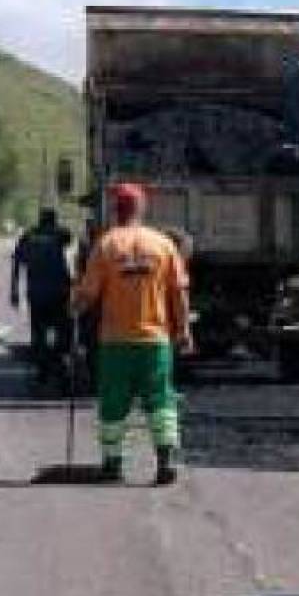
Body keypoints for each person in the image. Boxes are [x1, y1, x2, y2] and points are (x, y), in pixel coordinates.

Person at [72, 182, 192, 485]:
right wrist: (184, 330)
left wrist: (74, 308)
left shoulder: (107, 245)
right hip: (154, 340)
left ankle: (113, 465)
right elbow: (179, 293)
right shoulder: (163, 245)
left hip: (115, 342)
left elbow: (87, 295)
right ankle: (166, 461)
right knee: (161, 400)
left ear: (116, 210)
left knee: (113, 403)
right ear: (142, 209)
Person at [10, 206, 75, 391]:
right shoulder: (60, 234)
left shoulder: (28, 236)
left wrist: (14, 290)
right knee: (63, 332)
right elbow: (69, 239)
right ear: (53, 221)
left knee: (39, 333)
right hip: (59, 293)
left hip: (37, 293)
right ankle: (61, 369)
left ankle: (42, 371)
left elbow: (17, 263)